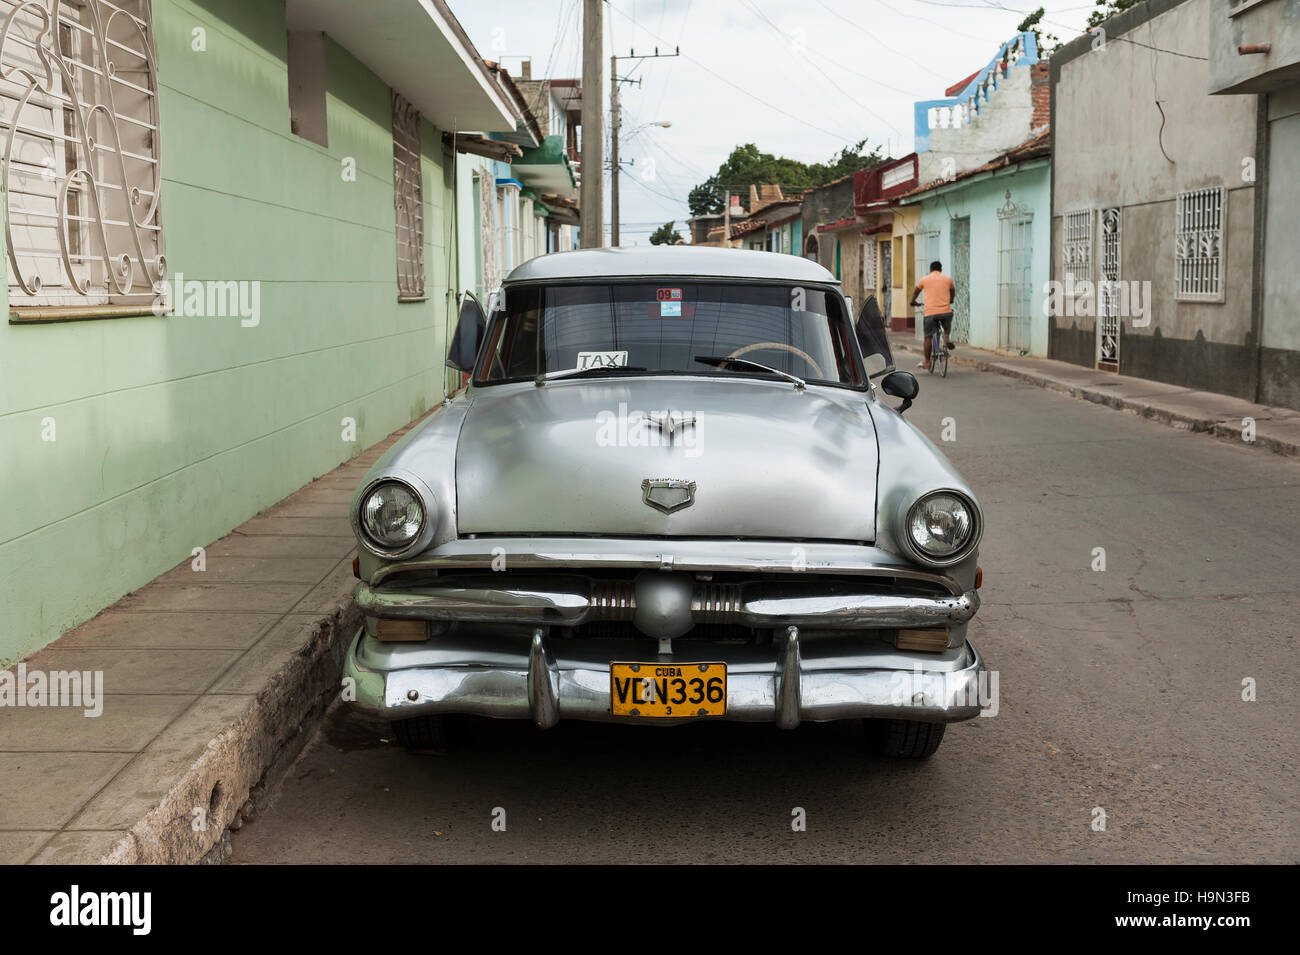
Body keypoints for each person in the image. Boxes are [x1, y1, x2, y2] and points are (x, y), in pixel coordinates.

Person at [909, 260, 956, 371]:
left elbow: (916, 291)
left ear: (930, 270)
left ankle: (927, 361)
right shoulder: (948, 279)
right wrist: (951, 300)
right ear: (941, 270)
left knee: (928, 337)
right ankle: (947, 337)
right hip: (945, 311)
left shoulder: (924, 279)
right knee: (948, 319)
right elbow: (953, 291)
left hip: (930, 313)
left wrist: (913, 301)